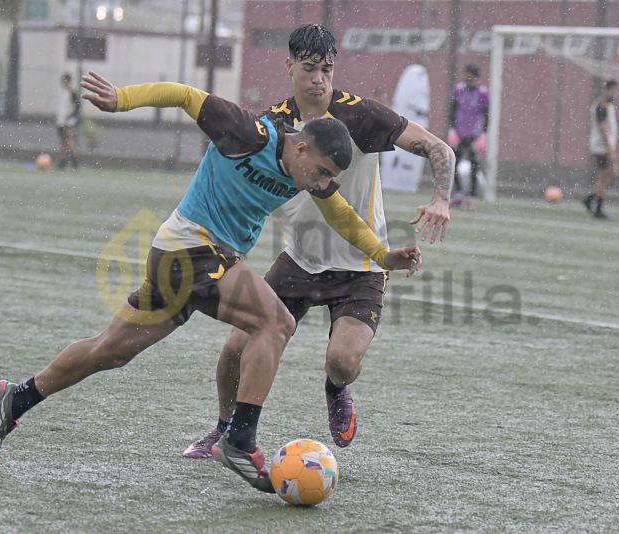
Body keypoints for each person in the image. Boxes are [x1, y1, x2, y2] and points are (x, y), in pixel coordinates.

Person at [0, 71, 422, 494]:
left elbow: (342, 214)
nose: (323, 184)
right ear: (302, 147)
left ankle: (17, 398)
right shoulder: (251, 133)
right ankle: (239, 440)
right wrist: (122, 99)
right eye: (322, 172)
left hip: (183, 259)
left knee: (109, 351)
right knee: (276, 324)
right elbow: (185, 95)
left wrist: (383, 256)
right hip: (191, 249)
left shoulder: (308, 171)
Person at [183, 24, 453, 459]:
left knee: (342, 362)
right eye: (309, 68)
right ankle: (223, 429)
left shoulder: (360, 116)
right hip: (299, 260)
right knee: (235, 349)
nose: (319, 79)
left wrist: (441, 198)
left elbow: (439, 148)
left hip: (362, 266)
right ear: (289, 65)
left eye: (327, 69)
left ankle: (336, 387)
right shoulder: (273, 125)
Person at [447, 64, 489, 210]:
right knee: (453, 162)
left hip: (474, 134)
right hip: (459, 132)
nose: (466, 79)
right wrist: (452, 129)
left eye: (469, 76)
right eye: (465, 75)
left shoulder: (483, 93)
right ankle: (458, 193)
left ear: (476, 78)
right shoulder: (458, 90)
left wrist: (483, 134)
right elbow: (452, 110)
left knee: (474, 165)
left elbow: (486, 114)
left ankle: (471, 197)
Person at [584, 79, 619, 220]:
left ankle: (591, 199)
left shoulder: (608, 105)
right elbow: (603, 128)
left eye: (617, 91)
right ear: (607, 90)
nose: (616, 93)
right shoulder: (602, 105)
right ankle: (597, 207)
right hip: (601, 147)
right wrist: (610, 150)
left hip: (604, 147)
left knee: (608, 176)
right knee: (606, 176)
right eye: (613, 90)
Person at [55, 72, 80, 170]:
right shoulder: (64, 92)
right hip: (61, 122)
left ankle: (72, 162)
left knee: (68, 142)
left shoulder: (72, 92)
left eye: (64, 80)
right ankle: (63, 162)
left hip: (68, 123)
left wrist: (69, 117)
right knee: (65, 143)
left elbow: (77, 107)